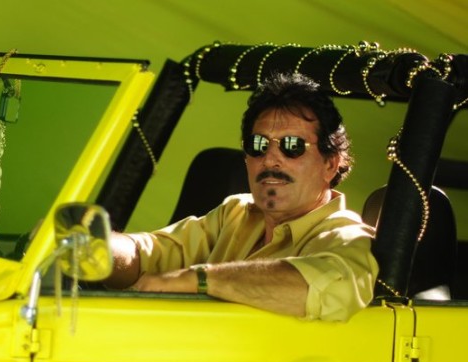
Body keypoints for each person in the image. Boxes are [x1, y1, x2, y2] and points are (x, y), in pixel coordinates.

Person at [104, 72, 378, 322]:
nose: (270, 159)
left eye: (292, 146)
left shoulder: (347, 236)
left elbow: (331, 286)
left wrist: (198, 280)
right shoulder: (235, 213)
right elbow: (148, 254)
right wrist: (95, 247)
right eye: (258, 145)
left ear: (330, 164)